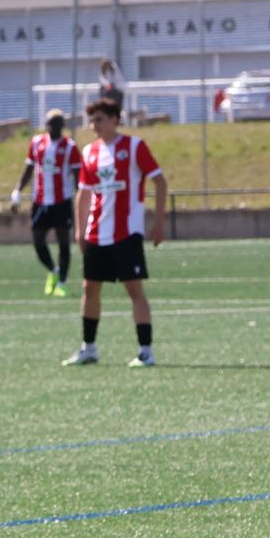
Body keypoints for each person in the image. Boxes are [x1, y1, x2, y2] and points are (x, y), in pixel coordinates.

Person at [64, 97, 167, 368]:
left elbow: (159, 181)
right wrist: (80, 230)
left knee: (134, 289)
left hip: (126, 231)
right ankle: (89, 348)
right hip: (97, 232)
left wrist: (158, 222)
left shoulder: (134, 147)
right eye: (91, 119)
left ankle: (146, 351)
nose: (93, 125)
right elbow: (84, 194)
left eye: (99, 119)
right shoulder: (89, 153)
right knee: (90, 287)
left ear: (114, 119)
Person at [10, 108, 83, 296]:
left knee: (64, 244)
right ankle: (54, 270)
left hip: (62, 201)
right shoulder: (36, 143)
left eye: (55, 124)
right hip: (40, 202)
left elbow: (77, 176)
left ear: (62, 126)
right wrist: (17, 191)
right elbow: (28, 169)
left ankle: (62, 284)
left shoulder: (70, 147)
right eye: (49, 123)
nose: (51, 127)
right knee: (38, 241)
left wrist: (81, 200)